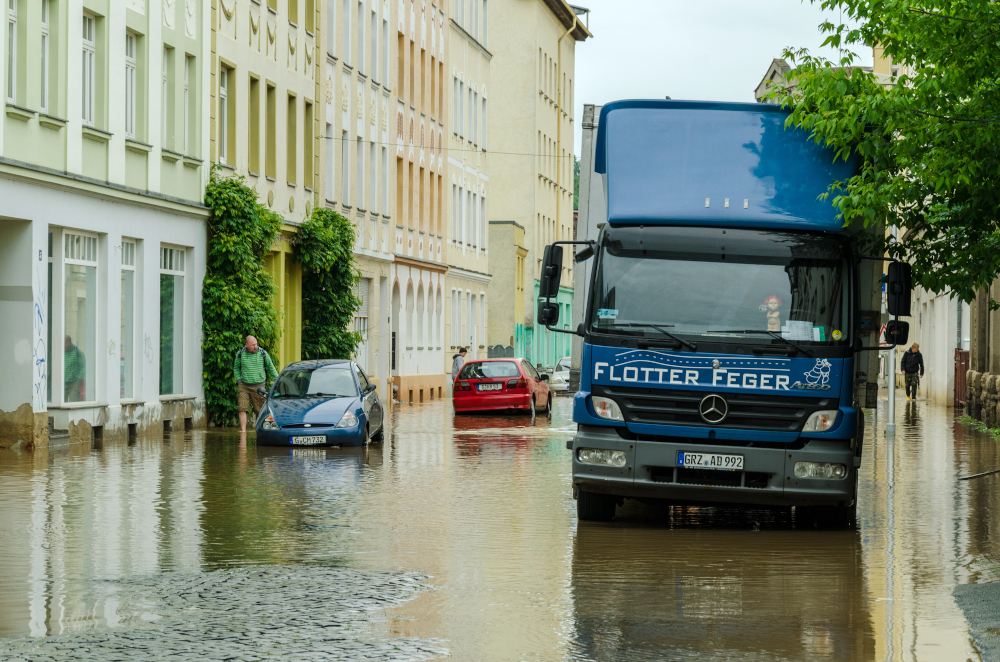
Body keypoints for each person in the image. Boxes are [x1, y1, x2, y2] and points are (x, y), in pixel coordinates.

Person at [234, 335, 278, 434]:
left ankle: (259, 431)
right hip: (244, 385)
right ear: (247, 345)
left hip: (259, 386)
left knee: (259, 410)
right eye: (253, 345)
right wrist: (239, 380)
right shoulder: (240, 353)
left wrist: (277, 380)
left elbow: (271, 367)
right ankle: (243, 432)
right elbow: (236, 368)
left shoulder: (263, 353)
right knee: (242, 408)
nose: (255, 347)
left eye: (256, 344)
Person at [64, 335, 86, 402]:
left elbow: (83, 367)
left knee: (72, 403)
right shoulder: (60, 352)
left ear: (68, 343)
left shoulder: (78, 353)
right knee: (60, 404)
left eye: (64, 343)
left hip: (73, 384)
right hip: (62, 383)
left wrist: (78, 378)